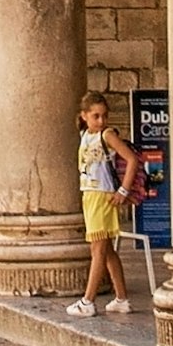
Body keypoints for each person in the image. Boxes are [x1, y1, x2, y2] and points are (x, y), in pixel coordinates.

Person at [71, 94, 135, 318]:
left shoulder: (107, 135)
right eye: (96, 116)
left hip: (102, 195)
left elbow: (132, 160)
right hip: (90, 193)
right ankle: (121, 298)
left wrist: (123, 190)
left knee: (97, 250)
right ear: (84, 116)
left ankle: (88, 301)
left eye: (104, 116)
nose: (101, 120)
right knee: (106, 250)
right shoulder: (85, 135)